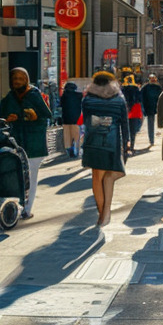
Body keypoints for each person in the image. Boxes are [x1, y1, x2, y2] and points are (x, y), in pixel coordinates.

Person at [0, 67, 53, 220]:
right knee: (15, 177)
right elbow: (0, 120)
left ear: (27, 80)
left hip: (34, 144)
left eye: (20, 79)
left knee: (31, 176)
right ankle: (16, 205)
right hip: (15, 144)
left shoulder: (35, 95)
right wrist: (7, 120)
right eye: (14, 79)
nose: (17, 82)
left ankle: (27, 209)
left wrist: (34, 117)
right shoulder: (7, 99)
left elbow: (47, 116)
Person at [80, 71, 130, 226]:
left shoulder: (87, 99)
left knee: (96, 177)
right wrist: (127, 142)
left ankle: (102, 213)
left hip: (93, 140)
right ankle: (106, 211)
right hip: (112, 140)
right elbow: (124, 123)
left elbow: (87, 119)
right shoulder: (119, 99)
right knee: (109, 177)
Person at [59, 80, 83, 158]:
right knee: (76, 136)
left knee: (67, 136)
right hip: (76, 119)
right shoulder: (79, 96)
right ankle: (76, 149)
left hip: (66, 119)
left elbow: (60, 106)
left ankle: (69, 149)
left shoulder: (63, 96)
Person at [122, 74, 144, 154]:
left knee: (124, 129)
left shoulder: (123, 89)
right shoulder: (136, 89)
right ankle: (132, 146)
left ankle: (125, 145)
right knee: (133, 131)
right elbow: (139, 100)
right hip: (134, 111)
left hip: (125, 110)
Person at [142, 74, 162, 149]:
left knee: (152, 124)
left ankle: (152, 139)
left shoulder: (158, 87)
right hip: (150, 108)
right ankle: (151, 140)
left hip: (154, 108)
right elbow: (142, 98)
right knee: (151, 124)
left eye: (154, 78)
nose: (153, 80)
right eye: (151, 78)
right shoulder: (146, 88)